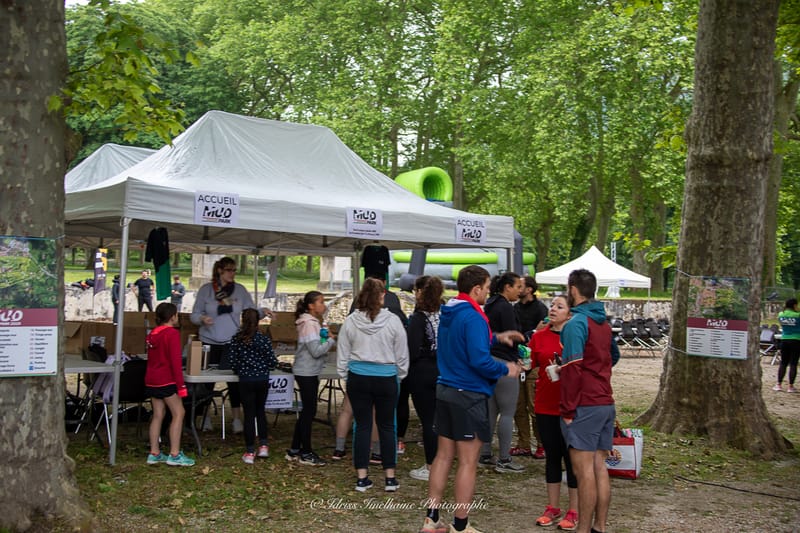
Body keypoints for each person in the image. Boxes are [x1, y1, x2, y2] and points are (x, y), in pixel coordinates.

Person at [420, 265, 523, 533]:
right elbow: (479, 360)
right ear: (476, 289)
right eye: (487, 288)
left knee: (443, 457)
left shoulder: (451, 311)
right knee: (467, 462)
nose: (489, 294)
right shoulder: (475, 317)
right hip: (469, 395)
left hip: (446, 391)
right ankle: (461, 525)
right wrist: (506, 368)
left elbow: (464, 341)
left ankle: (431, 519)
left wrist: (496, 337)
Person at [560, 269, 620, 533]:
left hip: (586, 403)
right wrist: (598, 369)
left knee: (583, 471)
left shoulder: (576, 324)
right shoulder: (603, 323)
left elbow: (572, 368)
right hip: (605, 400)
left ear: (573, 290)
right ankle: (600, 526)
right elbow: (613, 356)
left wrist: (568, 408)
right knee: (599, 468)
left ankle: (583, 529)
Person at [337, 278, 408, 493]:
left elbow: (343, 351)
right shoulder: (393, 321)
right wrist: (399, 375)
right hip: (386, 377)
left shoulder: (351, 321)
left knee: (362, 426)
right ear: (382, 296)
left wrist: (344, 374)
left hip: (358, 376)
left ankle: (362, 477)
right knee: (387, 426)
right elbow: (402, 353)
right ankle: (389, 477)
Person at [190, 257, 269, 434]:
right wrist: (202, 318)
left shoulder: (240, 290)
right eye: (229, 270)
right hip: (208, 340)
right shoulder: (206, 290)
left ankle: (236, 419)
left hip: (232, 342)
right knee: (207, 383)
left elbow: (251, 312)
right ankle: (206, 416)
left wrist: (263, 312)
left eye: (234, 270)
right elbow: (194, 315)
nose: (232, 273)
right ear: (219, 271)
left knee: (234, 382)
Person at [529, 295, 578, 530]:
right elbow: (528, 363)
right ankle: (552, 507)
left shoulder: (575, 338)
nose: (553, 309)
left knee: (573, 459)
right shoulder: (539, 337)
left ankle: (575, 509)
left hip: (571, 407)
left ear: (570, 314)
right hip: (545, 405)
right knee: (552, 457)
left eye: (560, 306)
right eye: (552, 305)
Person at [479, 272, 525, 473]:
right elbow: (514, 336)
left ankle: (485, 452)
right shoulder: (505, 307)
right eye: (517, 287)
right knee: (507, 412)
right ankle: (504, 459)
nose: (520, 291)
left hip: (489, 362)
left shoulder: (489, 304)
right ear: (507, 287)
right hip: (505, 362)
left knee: (491, 410)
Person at [286, 291, 336, 466]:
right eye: (321, 302)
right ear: (311, 306)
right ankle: (306, 452)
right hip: (306, 371)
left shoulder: (313, 322)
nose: (324, 305)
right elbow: (315, 351)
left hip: (310, 371)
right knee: (309, 412)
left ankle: (294, 449)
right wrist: (330, 340)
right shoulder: (308, 323)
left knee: (308, 411)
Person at [145, 302, 195, 467]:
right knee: (178, 413)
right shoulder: (171, 334)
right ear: (172, 316)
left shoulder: (153, 333)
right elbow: (175, 361)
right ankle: (174, 453)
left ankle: (154, 451)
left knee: (158, 414)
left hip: (152, 378)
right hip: (166, 379)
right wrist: (181, 386)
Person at [407, 275, 445, 482]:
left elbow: (411, 350)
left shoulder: (418, 318)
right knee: (440, 419)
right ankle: (443, 461)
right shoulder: (446, 314)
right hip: (444, 369)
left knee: (428, 420)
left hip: (422, 371)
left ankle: (432, 465)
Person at [229, 308, 277, 464]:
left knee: (249, 415)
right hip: (262, 378)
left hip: (246, 379)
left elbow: (232, 361)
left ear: (243, 320)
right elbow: (272, 361)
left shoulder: (237, 339)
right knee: (260, 411)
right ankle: (263, 445)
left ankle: (250, 451)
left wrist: (241, 368)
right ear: (258, 321)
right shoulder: (263, 339)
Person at [511, 275, 548, 458]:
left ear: (530, 289)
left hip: (534, 363)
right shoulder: (515, 308)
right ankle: (523, 443)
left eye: (521, 286)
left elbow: (543, 333)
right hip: (517, 361)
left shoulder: (541, 309)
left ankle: (541, 444)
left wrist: (529, 335)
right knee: (518, 405)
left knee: (535, 406)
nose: (518, 289)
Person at [774, 298, 800, 392]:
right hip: (796, 340)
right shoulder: (798, 315)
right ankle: (790, 386)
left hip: (784, 340)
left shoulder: (781, 314)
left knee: (783, 363)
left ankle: (779, 384)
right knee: (793, 363)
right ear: (794, 305)